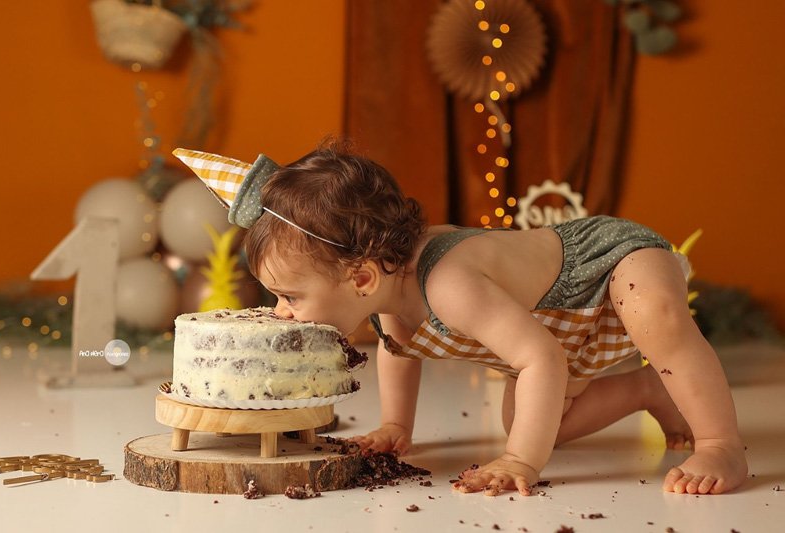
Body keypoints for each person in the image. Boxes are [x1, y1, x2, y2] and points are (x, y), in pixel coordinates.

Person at [175, 142, 748, 497]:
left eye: (289, 296)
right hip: (556, 324)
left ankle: (721, 441)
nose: (282, 312)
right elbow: (400, 351)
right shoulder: (382, 303)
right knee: (535, 417)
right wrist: (398, 428)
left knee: (655, 315)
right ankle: (649, 388)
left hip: (603, 267)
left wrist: (521, 461)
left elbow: (542, 356)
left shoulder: (449, 283)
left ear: (361, 278)